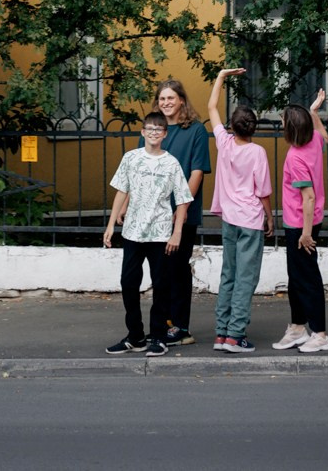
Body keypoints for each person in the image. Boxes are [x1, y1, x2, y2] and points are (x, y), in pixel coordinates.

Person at [103, 110, 193, 357]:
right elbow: (121, 191)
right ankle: (135, 336)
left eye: (158, 130)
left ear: (164, 134)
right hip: (132, 232)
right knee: (128, 284)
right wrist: (111, 225)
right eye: (149, 129)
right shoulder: (131, 158)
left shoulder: (171, 163)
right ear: (143, 132)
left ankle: (159, 337)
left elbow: (183, 200)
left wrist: (177, 233)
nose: (153, 133)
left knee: (162, 287)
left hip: (161, 234)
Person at [206, 67, 273, 353]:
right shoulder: (257, 152)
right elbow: (263, 192)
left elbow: (211, 107)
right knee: (246, 278)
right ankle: (236, 335)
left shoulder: (224, 143)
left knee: (228, 274)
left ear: (232, 126)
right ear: (254, 128)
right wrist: (270, 218)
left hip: (229, 219)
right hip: (250, 220)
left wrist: (221, 77)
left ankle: (221, 333)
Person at [146, 76, 211, 347]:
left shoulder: (195, 130)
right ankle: (163, 324)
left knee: (178, 268)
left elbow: (197, 172)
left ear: (181, 100)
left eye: (171, 98)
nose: (166, 103)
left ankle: (180, 327)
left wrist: (181, 208)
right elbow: (143, 168)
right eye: (162, 99)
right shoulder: (155, 130)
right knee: (160, 270)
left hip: (181, 212)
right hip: (154, 212)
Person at [272, 88, 328, 353]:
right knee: (296, 277)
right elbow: (325, 136)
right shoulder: (314, 141)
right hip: (308, 220)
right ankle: (297, 328)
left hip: (301, 224)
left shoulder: (295, 157)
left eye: (283, 121)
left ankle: (319, 334)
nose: (280, 123)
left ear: (291, 129)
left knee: (307, 279)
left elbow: (307, 198)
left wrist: (306, 234)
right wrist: (314, 112)